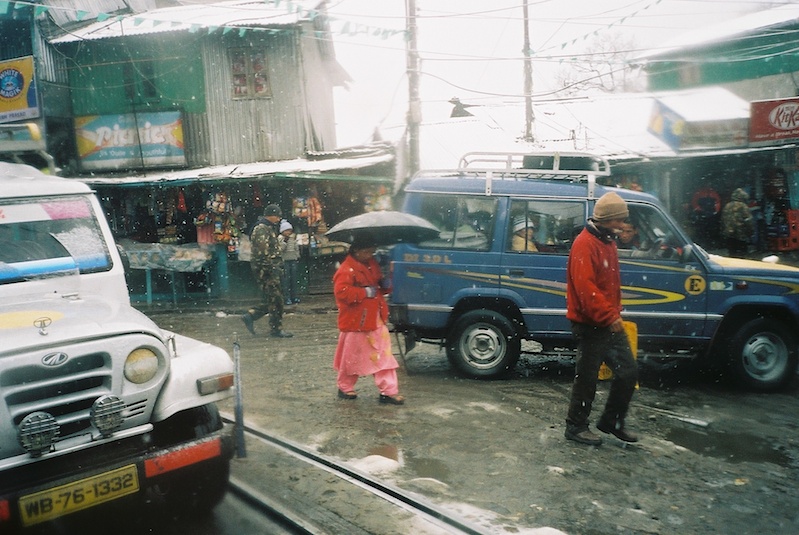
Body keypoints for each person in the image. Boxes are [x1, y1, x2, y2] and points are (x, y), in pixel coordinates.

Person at [564, 191, 639, 446]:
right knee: (587, 377)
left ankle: (611, 422)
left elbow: (606, 285)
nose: (623, 225)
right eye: (619, 220)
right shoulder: (585, 244)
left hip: (607, 320)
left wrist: (612, 313)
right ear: (607, 219)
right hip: (590, 323)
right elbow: (587, 290)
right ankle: (575, 426)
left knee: (628, 372)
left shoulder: (608, 241)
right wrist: (608, 315)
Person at [332, 233, 404, 405]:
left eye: (372, 252)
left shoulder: (372, 263)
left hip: (376, 319)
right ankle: (344, 386)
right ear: (356, 251)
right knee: (351, 358)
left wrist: (386, 282)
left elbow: (378, 285)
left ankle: (388, 391)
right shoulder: (345, 269)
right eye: (367, 252)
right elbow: (341, 293)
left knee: (384, 355)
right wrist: (363, 292)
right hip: (357, 322)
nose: (370, 256)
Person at [242, 204, 293, 338]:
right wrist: (270, 268)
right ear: (271, 215)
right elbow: (262, 252)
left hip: (270, 269)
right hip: (267, 270)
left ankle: (251, 315)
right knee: (276, 299)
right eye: (277, 215)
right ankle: (276, 329)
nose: (279, 219)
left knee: (273, 298)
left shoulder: (267, 228)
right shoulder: (262, 229)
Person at [721, 188, 754, 258]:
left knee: (732, 253)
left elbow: (723, 219)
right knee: (742, 254)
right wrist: (750, 231)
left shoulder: (727, 205)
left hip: (729, 233)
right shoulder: (743, 206)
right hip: (740, 234)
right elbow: (748, 220)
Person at [279, 219, 301, 305]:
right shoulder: (280, 239)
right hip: (285, 261)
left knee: (293, 279)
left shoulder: (293, 238)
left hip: (293, 260)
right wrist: (285, 242)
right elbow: (280, 249)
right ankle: (286, 297)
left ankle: (294, 296)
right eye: (286, 230)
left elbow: (296, 248)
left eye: (289, 230)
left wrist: (297, 256)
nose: (288, 232)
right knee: (285, 280)